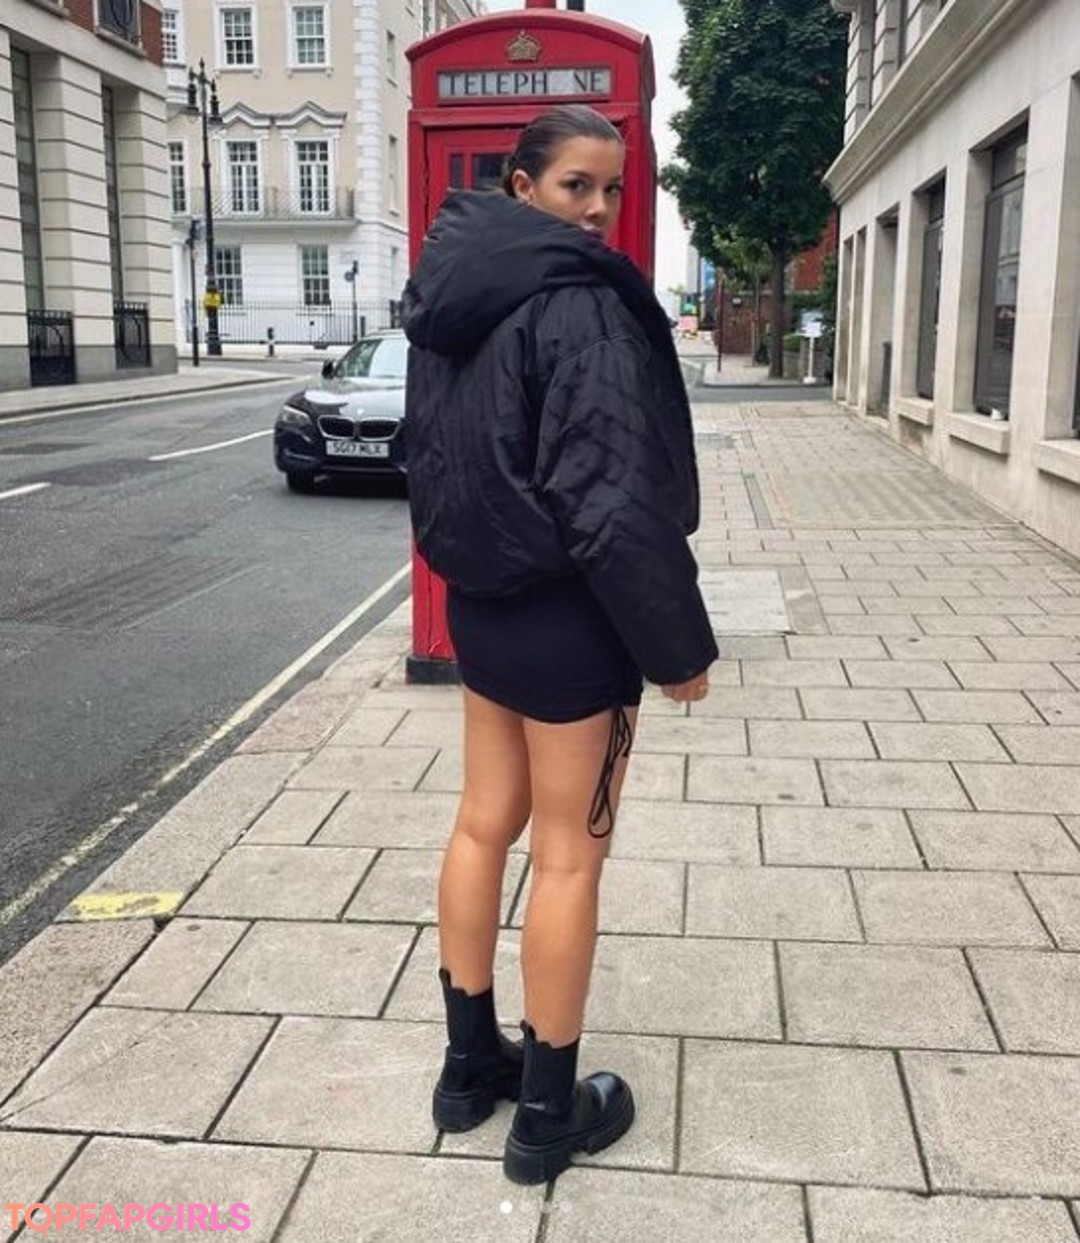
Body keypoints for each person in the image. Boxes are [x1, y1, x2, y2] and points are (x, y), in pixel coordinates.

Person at [401, 104, 718, 1186]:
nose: (598, 208)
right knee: (569, 854)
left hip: (484, 604)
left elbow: (431, 455)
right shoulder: (580, 306)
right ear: (523, 183)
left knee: (481, 823)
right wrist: (676, 648)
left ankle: (466, 1071)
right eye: (577, 184)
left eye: (612, 188)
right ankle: (546, 1116)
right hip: (572, 620)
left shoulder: (450, 291)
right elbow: (613, 502)